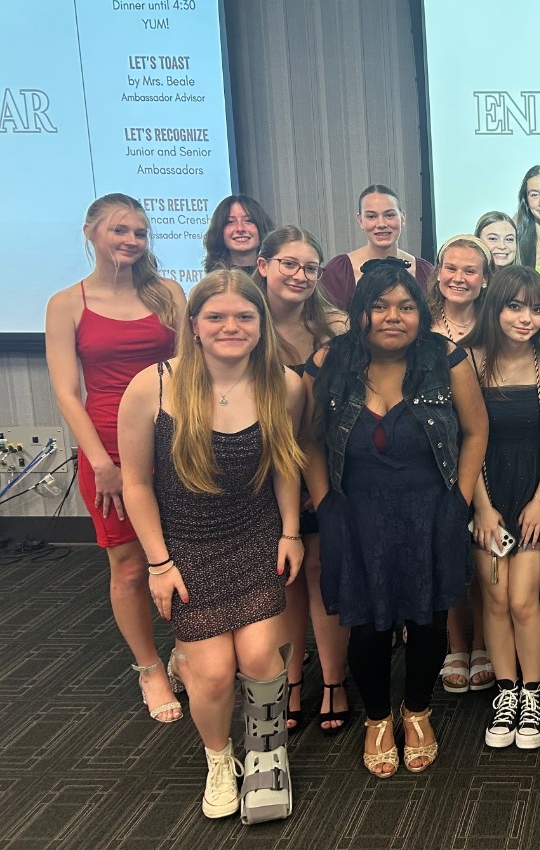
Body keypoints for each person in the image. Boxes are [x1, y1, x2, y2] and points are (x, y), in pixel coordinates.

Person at [117, 270, 306, 822]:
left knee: (256, 659)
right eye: (216, 316)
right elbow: (137, 483)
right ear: (193, 325)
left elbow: (286, 468)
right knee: (216, 673)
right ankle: (220, 759)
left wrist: (290, 532)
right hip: (186, 547)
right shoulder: (151, 385)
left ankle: (267, 755)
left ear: (261, 323)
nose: (231, 326)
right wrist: (158, 563)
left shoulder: (285, 385)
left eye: (245, 316)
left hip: (253, 539)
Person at [305, 259, 488, 778]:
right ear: (360, 311)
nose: (394, 316)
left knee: (427, 620)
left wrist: (461, 497)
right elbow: (310, 439)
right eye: (380, 306)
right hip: (356, 513)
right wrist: (324, 503)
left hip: (430, 510)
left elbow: (476, 430)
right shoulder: (332, 360)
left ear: (421, 313)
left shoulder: (444, 357)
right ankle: (378, 719)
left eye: (406, 306)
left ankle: (417, 712)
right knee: (365, 627)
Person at [45, 193, 185, 724]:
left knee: (183, 551)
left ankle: (187, 648)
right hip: (107, 447)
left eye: (140, 233)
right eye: (119, 230)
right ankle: (149, 668)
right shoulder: (67, 303)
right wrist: (99, 460)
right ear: (91, 233)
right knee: (129, 564)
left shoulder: (168, 292)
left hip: (170, 439)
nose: (130, 241)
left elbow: (188, 369)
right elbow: (65, 392)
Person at [253, 227, 351, 734]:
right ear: (264, 264)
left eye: (310, 268)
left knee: (320, 570)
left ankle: (334, 679)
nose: (300, 276)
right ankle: (293, 680)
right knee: (282, 576)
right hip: (257, 472)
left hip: (319, 465)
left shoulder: (329, 331)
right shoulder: (244, 324)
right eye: (289, 264)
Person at [462, 266, 540, 750]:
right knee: (495, 600)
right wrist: (480, 507)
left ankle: (533, 692)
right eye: (515, 306)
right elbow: (466, 438)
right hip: (485, 493)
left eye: (536, 308)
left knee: (524, 600)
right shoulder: (469, 362)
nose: (527, 318)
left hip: (533, 495)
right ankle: (507, 692)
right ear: (495, 306)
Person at [427, 234, 495, 691]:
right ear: (437, 273)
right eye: (452, 268)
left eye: (471, 270)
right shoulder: (420, 328)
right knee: (447, 550)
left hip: (490, 453)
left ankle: (487, 642)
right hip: (434, 460)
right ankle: (456, 643)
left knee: (486, 552)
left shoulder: (496, 329)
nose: (460, 277)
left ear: (485, 279)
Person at [319, 185, 432, 313]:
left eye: (389, 215)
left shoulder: (425, 271)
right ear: (360, 220)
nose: (381, 224)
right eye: (371, 216)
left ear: (403, 218)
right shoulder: (338, 272)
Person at [203, 195, 276, 274]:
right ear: (219, 231)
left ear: (262, 227)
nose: (240, 229)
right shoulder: (213, 283)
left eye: (248, 220)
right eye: (230, 222)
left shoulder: (275, 277)